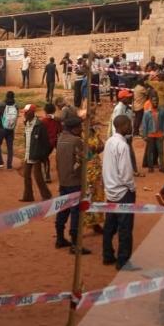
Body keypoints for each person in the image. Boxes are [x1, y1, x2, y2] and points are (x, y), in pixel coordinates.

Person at [102, 114, 138, 270]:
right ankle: (123, 261)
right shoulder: (122, 146)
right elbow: (125, 173)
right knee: (125, 228)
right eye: (128, 124)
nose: (130, 127)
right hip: (123, 192)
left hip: (110, 191)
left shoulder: (109, 142)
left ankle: (107, 255)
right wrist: (132, 187)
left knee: (109, 226)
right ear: (122, 126)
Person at [55, 116, 90, 254]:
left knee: (63, 209)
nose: (81, 129)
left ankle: (60, 238)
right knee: (76, 213)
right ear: (75, 128)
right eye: (80, 127)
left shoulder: (60, 139)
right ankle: (75, 244)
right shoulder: (76, 141)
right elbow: (83, 159)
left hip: (63, 180)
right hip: (75, 182)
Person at [19, 104, 52, 202]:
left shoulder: (39, 125)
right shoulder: (27, 123)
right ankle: (28, 196)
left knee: (38, 176)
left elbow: (46, 142)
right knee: (26, 175)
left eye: (26, 112)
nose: (24, 114)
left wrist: (42, 155)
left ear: (32, 113)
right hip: (28, 153)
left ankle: (46, 195)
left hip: (36, 154)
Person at [82, 123, 105, 235]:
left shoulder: (95, 132)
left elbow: (101, 146)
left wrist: (97, 148)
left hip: (96, 168)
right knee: (86, 196)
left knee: (97, 196)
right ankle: (82, 226)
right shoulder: (80, 134)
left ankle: (96, 223)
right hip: (85, 170)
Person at [141, 93, 164, 173]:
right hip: (150, 134)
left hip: (159, 134)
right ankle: (150, 167)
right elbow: (144, 124)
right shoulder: (147, 113)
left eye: (156, 101)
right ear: (151, 101)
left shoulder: (162, 110)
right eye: (154, 101)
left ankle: (162, 167)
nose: (155, 102)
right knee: (150, 151)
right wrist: (144, 135)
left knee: (161, 152)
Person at [0, 91, 18, 170]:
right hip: (11, 129)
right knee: (10, 147)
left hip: (2, 128)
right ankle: (9, 165)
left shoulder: (2, 105)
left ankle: (0, 162)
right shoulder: (16, 105)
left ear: (6, 96)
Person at [40, 102, 62, 183]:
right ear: (54, 111)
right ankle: (61, 174)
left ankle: (47, 175)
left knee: (45, 158)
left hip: (47, 142)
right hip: (55, 141)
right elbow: (60, 130)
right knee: (59, 159)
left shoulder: (43, 121)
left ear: (45, 111)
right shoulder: (57, 120)